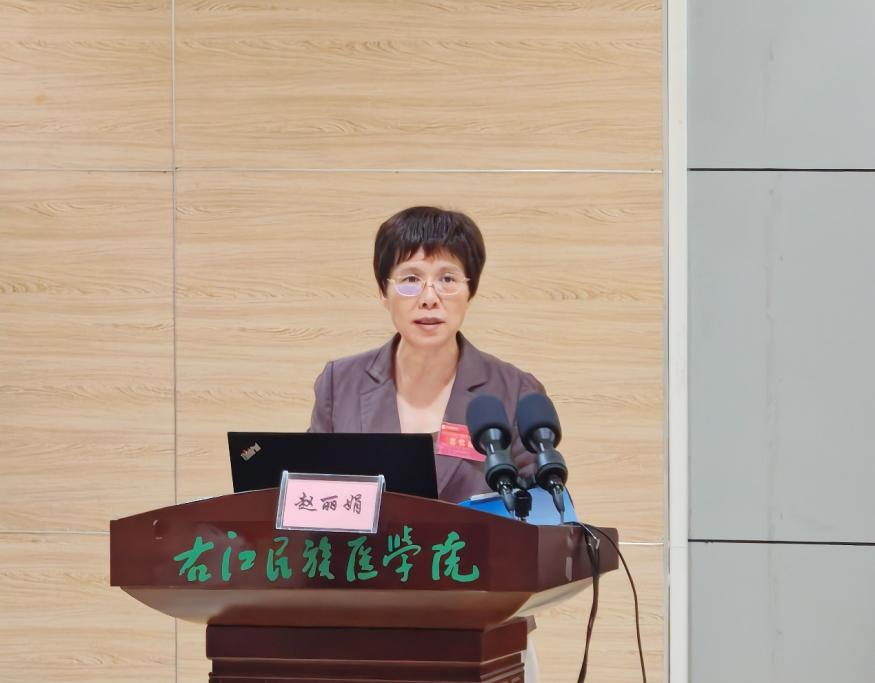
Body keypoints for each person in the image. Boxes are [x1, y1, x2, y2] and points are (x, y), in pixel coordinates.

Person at [308, 206, 550, 502]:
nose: (429, 298)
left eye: (447, 279)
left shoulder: (515, 390)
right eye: (410, 279)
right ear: (383, 292)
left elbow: (542, 510)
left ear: (470, 292)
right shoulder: (340, 383)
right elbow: (310, 492)